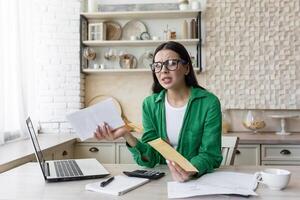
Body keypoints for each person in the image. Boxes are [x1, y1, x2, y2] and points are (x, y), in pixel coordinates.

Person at [94, 41, 222, 182]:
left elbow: (211, 155)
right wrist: (126, 134)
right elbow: (150, 159)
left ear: (186, 68)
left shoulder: (209, 103)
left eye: (172, 63)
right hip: (163, 180)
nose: (163, 70)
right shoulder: (150, 105)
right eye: (157, 65)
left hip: (199, 180)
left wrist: (190, 169)